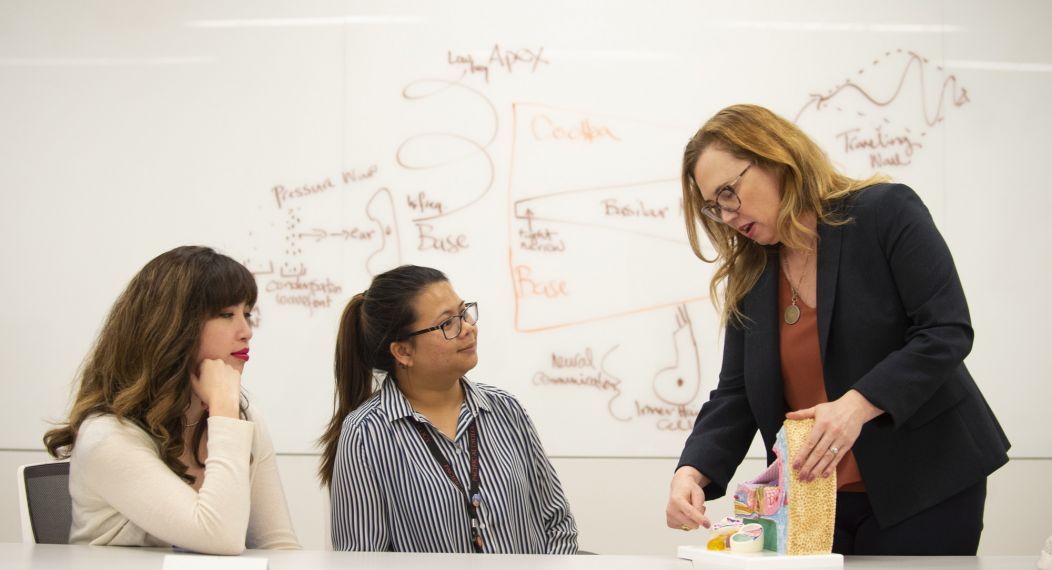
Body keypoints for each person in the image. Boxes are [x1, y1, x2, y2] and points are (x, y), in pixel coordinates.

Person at [665, 104, 1009, 555]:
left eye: (729, 192)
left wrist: (856, 406)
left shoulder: (885, 213)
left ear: (775, 158)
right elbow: (735, 393)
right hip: (816, 501)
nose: (726, 215)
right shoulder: (751, 276)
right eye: (713, 206)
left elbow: (945, 330)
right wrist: (691, 472)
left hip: (928, 482)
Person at [44, 246, 300, 554]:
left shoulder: (239, 414)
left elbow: (278, 545)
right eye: (226, 315)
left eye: (247, 313)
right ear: (174, 326)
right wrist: (223, 411)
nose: (246, 332)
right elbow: (219, 536)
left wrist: (225, 412)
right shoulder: (108, 437)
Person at [318, 265, 578, 553]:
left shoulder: (506, 410)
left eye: (464, 312)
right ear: (403, 352)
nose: (468, 327)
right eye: (448, 323)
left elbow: (557, 524)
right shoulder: (366, 434)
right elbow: (362, 561)